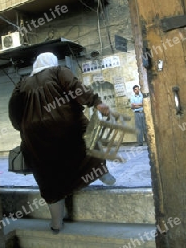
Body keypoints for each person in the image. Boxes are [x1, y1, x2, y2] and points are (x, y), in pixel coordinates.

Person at [8, 52, 116, 234]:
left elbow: (14, 110)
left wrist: (24, 127)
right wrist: (96, 102)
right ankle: (101, 172)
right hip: (66, 123)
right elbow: (76, 87)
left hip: (34, 133)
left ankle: (57, 222)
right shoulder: (58, 71)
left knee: (46, 172)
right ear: (52, 62)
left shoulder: (22, 84)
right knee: (87, 140)